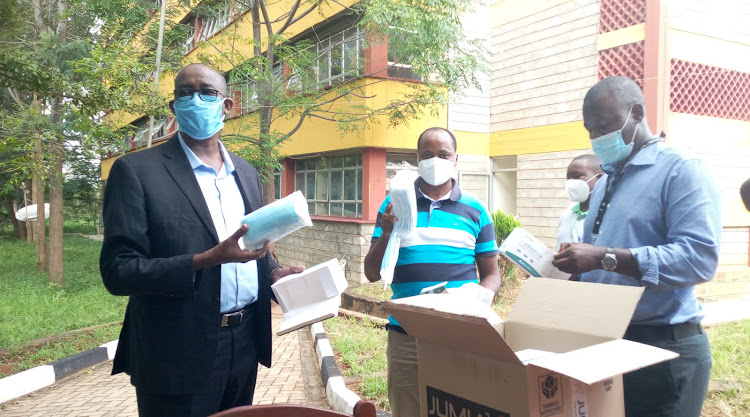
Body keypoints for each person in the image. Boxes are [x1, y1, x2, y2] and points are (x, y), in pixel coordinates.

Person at [100, 63, 304, 417]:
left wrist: (273, 274)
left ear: (226, 106)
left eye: (206, 92)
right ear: (174, 107)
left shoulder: (245, 171)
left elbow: (249, 244)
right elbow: (118, 271)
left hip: (244, 346)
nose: (195, 99)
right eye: (184, 92)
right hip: (175, 353)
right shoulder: (136, 171)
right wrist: (205, 259)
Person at [552, 76, 721, 417]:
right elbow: (601, 264)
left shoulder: (681, 169)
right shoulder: (605, 181)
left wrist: (604, 257)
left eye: (605, 125)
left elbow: (699, 258)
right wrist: (571, 269)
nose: (597, 137)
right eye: (590, 129)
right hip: (608, 341)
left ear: (637, 113)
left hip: (664, 348)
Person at [363, 127, 501, 417]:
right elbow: (372, 273)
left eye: (443, 154)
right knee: (408, 407)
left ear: (455, 159)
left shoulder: (475, 210)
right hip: (405, 332)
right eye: (427, 155)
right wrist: (386, 232)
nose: (435, 160)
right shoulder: (393, 206)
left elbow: (491, 273)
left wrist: (476, 304)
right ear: (417, 159)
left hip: (459, 332)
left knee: (458, 406)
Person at [555, 154, 603, 251]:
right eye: (569, 179)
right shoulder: (567, 215)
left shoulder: (608, 216)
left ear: (600, 178)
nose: (571, 183)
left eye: (576, 176)